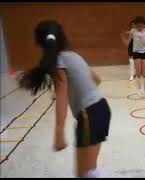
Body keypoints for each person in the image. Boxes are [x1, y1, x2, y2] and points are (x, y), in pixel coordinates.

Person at [18, 20, 111, 178]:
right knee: (90, 171)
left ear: (39, 43)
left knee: (84, 174)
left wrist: (59, 132)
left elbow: (62, 98)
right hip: (102, 109)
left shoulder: (59, 62)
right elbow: (97, 79)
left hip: (89, 115)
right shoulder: (73, 55)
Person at [121, 16, 145, 97]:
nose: (139, 28)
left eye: (141, 26)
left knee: (144, 73)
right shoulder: (133, 31)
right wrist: (122, 37)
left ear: (144, 25)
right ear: (135, 25)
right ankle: (139, 90)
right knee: (138, 73)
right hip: (136, 53)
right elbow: (127, 43)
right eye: (138, 26)